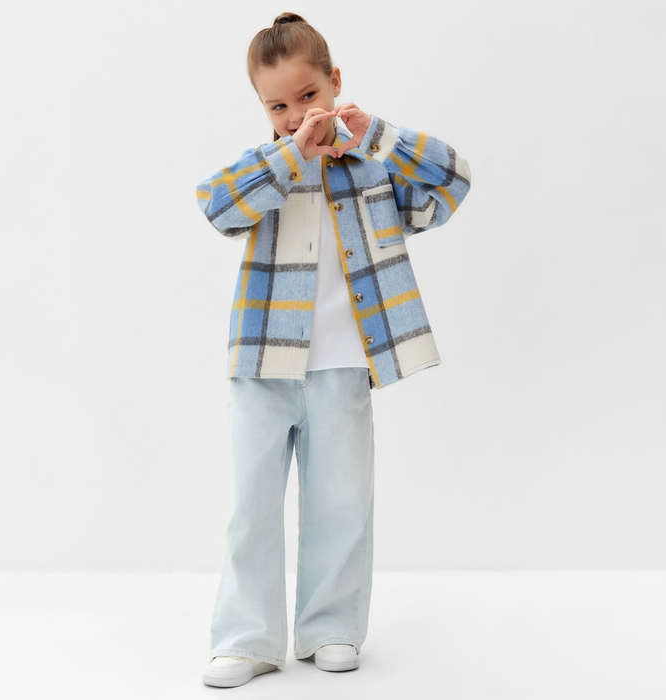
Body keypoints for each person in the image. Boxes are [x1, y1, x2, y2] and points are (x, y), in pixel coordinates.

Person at [195, 12, 471, 689]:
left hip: (345, 363)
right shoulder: (266, 170)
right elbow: (217, 206)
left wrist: (374, 133)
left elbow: (453, 183)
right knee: (252, 507)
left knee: (342, 503)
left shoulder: (373, 168)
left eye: (307, 95)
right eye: (278, 106)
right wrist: (292, 153)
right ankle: (247, 638)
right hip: (263, 362)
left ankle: (331, 629)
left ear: (335, 82)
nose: (295, 115)